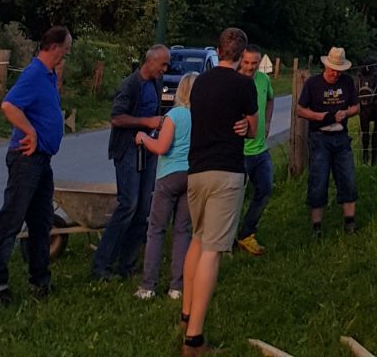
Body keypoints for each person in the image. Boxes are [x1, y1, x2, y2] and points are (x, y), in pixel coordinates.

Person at [182, 26, 259, 356]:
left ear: (217, 51)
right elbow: (253, 129)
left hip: (196, 171)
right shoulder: (244, 85)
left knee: (197, 240)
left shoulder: (200, 83)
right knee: (213, 251)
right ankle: (194, 339)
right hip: (226, 172)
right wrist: (245, 126)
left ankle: (186, 312)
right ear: (242, 56)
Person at [0, 25, 72, 305]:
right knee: (11, 219)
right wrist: (30, 131)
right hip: (26, 159)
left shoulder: (49, 76)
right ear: (54, 47)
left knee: (41, 221)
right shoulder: (34, 74)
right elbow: (9, 105)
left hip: (43, 160)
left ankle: (40, 280)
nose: (67, 53)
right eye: (66, 48)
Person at [91, 44, 170, 281]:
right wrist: (147, 122)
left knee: (143, 208)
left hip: (148, 150)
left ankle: (127, 264)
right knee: (128, 205)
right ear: (150, 61)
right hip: (128, 150)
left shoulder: (156, 83)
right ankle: (101, 265)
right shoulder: (130, 84)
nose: (165, 69)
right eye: (163, 64)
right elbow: (117, 118)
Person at [134, 70, 197, 301]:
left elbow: (161, 147)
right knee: (182, 230)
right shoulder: (201, 117)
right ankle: (177, 287)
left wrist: (143, 138)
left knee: (156, 229)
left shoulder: (174, 115)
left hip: (169, 175)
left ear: (181, 91)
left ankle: (148, 285)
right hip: (192, 176)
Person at [297, 45, 360, 239]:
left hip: (341, 136)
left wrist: (346, 113)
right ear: (326, 66)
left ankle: (350, 222)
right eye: (333, 69)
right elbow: (300, 110)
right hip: (320, 137)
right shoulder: (313, 83)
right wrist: (320, 116)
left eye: (339, 70)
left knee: (347, 178)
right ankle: (316, 226)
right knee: (318, 179)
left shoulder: (348, 82)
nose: (335, 73)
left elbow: (356, 107)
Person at [235, 44, 275, 256]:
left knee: (265, 189)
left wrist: (267, 122)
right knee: (234, 197)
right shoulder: (233, 81)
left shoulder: (263, 80)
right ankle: (226, 239)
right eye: (247, 62)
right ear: (240, 61)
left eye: (255, 63)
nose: (250, 67)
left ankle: (246, 233)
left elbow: (270, 99)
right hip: (238, 152)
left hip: (260, 150)